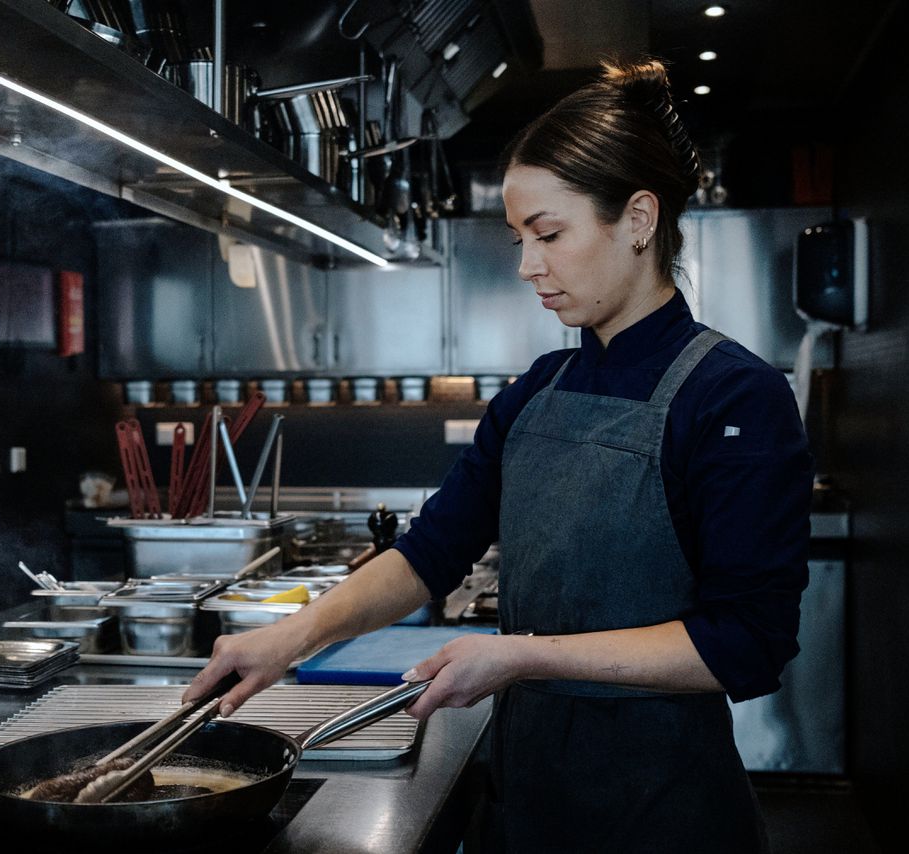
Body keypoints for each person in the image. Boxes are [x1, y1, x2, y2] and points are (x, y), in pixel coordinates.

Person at [185, 58, 812, 853]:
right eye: (520, 239)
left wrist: (516, 655)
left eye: (549, 235)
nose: (527, 267)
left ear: (640, 219)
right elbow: (430, 551)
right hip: (526, 799)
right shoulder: (538, 389)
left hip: (661, 810)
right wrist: (291, 639)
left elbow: (744, 643)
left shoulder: (733, 397)